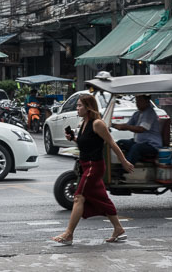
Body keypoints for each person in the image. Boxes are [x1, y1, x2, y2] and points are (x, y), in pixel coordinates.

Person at [51, 94, 133, 246]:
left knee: (78, 197)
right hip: (85, 165)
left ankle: (69, 234)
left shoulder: (97, 124)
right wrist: (73, 139)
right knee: (103, 199)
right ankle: (118, 229)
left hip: (94, 166)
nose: (77, 108)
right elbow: (86, 143)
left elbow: (112, 144)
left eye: (80, 105)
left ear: (88, 107)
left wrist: (124, 161)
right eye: (77, 106)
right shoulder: (84, 123)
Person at [113, 94, 163, 163]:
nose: (137, 103)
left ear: (147, 101)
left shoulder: (149, 113)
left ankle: (126, 169)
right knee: (120, 143)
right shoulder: (137, 114)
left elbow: (141, 129)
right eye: (136, 101)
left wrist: (125, 127)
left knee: (136, 148)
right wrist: (113, 125)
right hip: (140, 142)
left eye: (140, 101)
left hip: (152, 145)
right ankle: (119, 165)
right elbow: (127, 125)